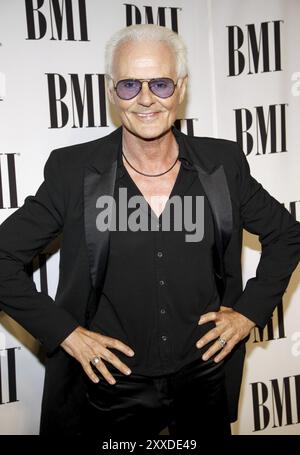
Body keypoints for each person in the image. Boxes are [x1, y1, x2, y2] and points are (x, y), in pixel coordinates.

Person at [0, 24, 299, 438]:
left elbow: (288, 235)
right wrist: (65, 334)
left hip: (203, 383)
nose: (145, 99)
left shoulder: (223, 165)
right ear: (109, 90)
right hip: (106, 392)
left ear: (180, 88)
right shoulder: (72, 172)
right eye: (128, 85)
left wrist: (249, 313)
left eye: (159, 83)